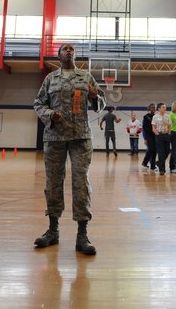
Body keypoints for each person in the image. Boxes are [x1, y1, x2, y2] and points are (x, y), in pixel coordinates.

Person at [33, 43, 105, 255]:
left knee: (81, 182)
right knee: (53, 182)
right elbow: (38, 104)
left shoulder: (86, 77)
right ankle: (53, 230)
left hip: (80, 137)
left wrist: (94, 96)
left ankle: (82, 234)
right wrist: (49, 114)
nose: (69, 51)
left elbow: (101, 104)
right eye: (65, 49)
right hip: (55, 137)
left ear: (75, 55)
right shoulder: (50, 79)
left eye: (72, 49)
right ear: (59, 55)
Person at [152, 102, 171, 175]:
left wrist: (169, 134)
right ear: (159, 109)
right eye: (163, 107)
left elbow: (169, 126)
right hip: (159, 135)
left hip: (166, 135)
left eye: (165, 107)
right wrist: (157, 134)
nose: (165, 108)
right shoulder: (155, 117)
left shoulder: (168, 116)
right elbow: (153, 128)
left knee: (167, 151)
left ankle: (159, 163)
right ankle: (162, 169)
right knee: (160, 152)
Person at [142, 103, 157, 170]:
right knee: (150, 149)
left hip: (155, 135)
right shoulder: (146, 117)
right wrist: (145, 138)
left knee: (155, 150)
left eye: (154, 107)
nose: (153, 108)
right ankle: (145, 162)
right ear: (149, 108)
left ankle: (153, 165)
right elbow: (144, 128)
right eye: (152, 107)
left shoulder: (156, 117)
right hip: (149, 135)